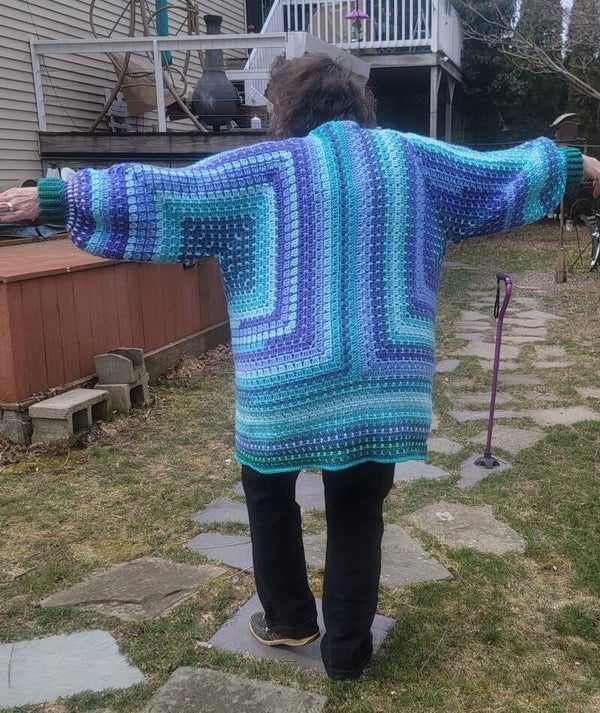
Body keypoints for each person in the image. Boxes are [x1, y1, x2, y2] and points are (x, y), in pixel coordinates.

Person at [2, 53, 599, 680]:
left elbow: (164, 193)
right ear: (358, 106)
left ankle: (288, 619)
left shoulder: (261, 169)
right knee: (359, 512)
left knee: (267, 494)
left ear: (286, 109)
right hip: (383, 376)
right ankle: (347, 652)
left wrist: (52, 196)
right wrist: (573, 163)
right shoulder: (413, 161)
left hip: (282, 375)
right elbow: (498, 171)